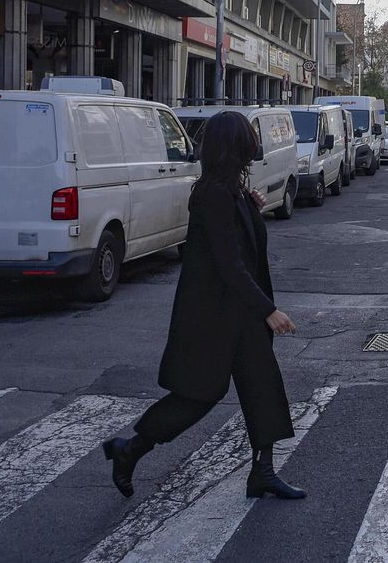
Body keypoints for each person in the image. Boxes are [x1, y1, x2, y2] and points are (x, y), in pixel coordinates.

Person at [102, 111, 305, 502]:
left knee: (263, 387)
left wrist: (252, 209)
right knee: (197, 396)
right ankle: (130, 450)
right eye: (248, 138)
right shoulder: (214, 194)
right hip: (214, 316)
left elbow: (241, 244)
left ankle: (262, 472)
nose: (254, 144)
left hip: (238, 314)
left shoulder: (232, 190)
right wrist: (268, 310)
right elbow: (229, 265)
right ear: (236, 146)